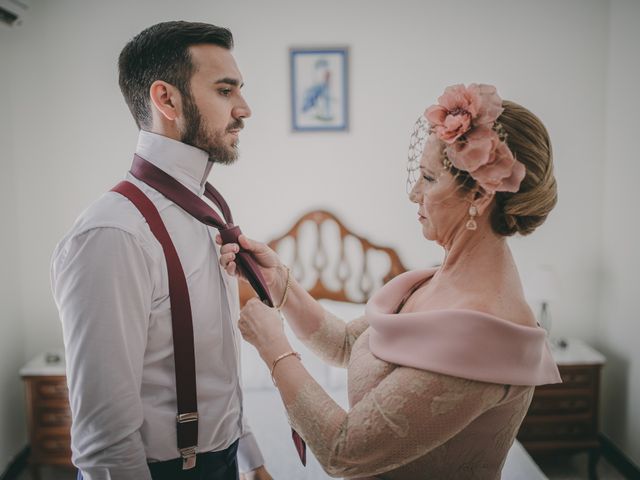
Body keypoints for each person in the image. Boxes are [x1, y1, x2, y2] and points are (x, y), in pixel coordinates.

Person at [218, 84, 562, 479]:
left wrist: (273, 348)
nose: (415, 193)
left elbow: (343, 452)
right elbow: (347, 344)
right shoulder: (435, 281)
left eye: (429, 179)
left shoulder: (483, 329)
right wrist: (279, 282)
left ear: (481, 196)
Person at [51, 21, 272, 480]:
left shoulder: (208, 206)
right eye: (226, 90)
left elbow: (215, 360)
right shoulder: (113, 233)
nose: (245, 108)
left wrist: (250, 457)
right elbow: (104, 442)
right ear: (166, 99)